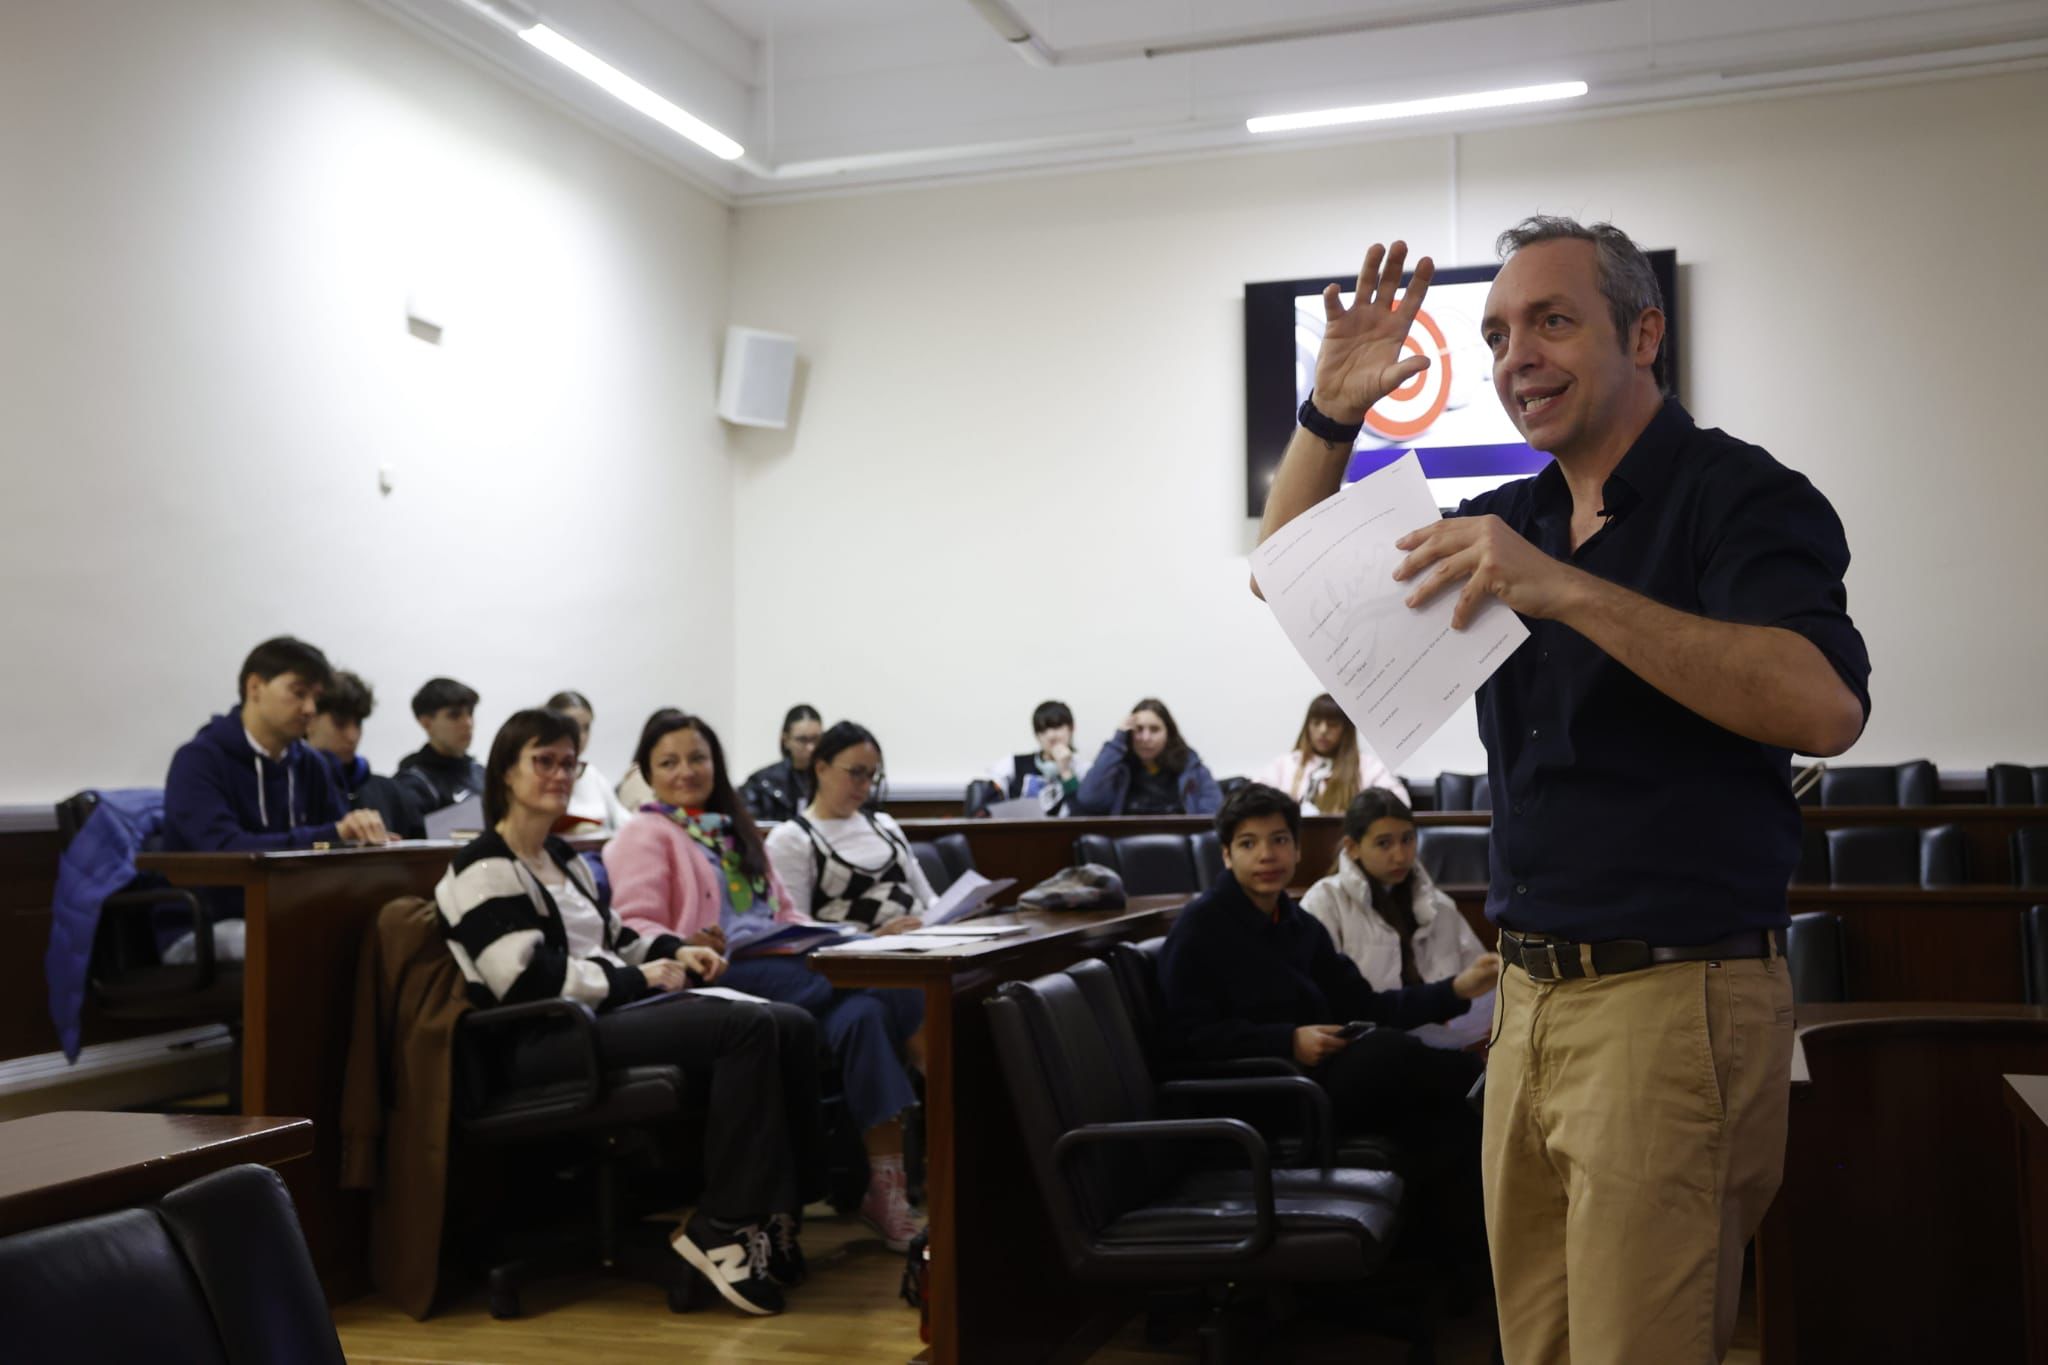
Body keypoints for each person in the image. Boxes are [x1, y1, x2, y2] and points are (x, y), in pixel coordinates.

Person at [1257, 224, 1869, 1362]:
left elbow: (1821, 705)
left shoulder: (1737, 495)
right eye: (1495, 335)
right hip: (1527, 998)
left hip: (1670, 996)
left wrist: (1566, 590)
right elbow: (1284, 574)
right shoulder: (1514, 516)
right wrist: (1329, 416)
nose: (1515, 358)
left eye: (1550, 321)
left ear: (1643, 334)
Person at [435, 708, 818, 1315]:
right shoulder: (483, 867)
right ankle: (722, 1225)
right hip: (540, 1037)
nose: (560, 775)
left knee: (790, 1021)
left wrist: (677, 951)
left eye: (569, 763)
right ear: (506, 771)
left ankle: (773, 1218)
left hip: (593, 1019)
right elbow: (523, 982)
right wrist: (635, 978)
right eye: (543, 761)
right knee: (744, 1025)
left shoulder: (561, 858)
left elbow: (618, 936)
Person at [607, 709, 927, 1251]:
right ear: (647, 771)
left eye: (697, 758)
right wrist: (683, 944)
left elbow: (784, 913)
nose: (686, 771)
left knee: (866, 1013)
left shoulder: (733, 827)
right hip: (721, 974)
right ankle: (955, 1125)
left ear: (716, 763)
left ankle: (885, 1192)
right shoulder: (645, 832)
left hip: (782, 961)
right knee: (884, 974)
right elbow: (633, 925)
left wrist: (833, 934)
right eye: (669, 762)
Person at [1158, 784, 1499, 1278]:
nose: (1267, 855)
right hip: (1260, 1096)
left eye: (1279, 840)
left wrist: (1455, 990)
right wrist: (1287, 1040)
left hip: (1313, 1086)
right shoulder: (1200, 928)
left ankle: (1459, 1271)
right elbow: (1184, 1040)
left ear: (1297, 849)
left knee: (1445, 1119)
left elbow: (1368, 1006)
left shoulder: (1296, 924)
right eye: (1249, 843)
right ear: (1227, 854)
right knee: (1404, 1057)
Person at [163, 636, 392, 962]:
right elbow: (224, 852)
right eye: (298, 693)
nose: (310, 709)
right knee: (302, 941)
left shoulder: (312, 765)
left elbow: (333, 845)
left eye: (315, 698)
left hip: (288, 913)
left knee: (390, 929)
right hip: (204, 925)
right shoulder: (199, 760)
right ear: (255, 687)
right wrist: (334, 834)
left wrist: (363, 839)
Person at [1302, 789, 1486, 991]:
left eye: (1407, 840)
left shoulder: (1441, 906)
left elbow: (1481, 988)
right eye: (1383, 843)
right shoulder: (1324, 902)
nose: (1400, 856)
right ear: (1353, 847)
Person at [764, 721, 934, 932]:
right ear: (821, 768)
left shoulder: (884, 825)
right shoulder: (792, 839)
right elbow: (796, 931)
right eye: (856, 772)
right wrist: (872, 939)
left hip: (922, 939)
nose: (866, 786)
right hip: (855, 950)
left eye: (871, 775)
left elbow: (929, 900)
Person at [307, 670, 426, 840]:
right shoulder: (290, 792)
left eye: (358, 723)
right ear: (310, 720)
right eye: (340, 723)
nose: (352, 736)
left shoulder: (391, 793)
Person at [1071, 697, 1222, 816]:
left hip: (1179, 843)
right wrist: (1118, 741)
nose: (1145, 738)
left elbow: (1212, 816)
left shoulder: (1191, 768)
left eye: (1154, 730)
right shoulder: (1118, 768)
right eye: (1139, 729)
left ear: (1168, 733)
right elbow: (1088, 799)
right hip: (1125, 843)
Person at [1255, 693, 1403, 815]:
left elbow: (1399, 803)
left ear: (1346, 730)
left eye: (1333, 724)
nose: (1323, 730)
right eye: (1316, 723)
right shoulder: (1285, 764)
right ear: (1307, 727)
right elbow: (1254, 802)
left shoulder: (1367, 767)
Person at [395, 677, 485, 815]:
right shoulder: (413, 784)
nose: (468, 723)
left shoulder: (480, 773)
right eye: (454, 715)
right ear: (426, 723)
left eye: (470, 713)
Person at [545, 689, 630, 834]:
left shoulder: (592, 775)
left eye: (586, 728)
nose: (581, 736)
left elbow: (624, 821)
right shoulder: (539, 777)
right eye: (572, 726)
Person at [988, 700, 1088, 815]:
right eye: (1043, 730)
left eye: (1057, 727)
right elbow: (988, 799)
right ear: (1037, 735)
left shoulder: (1083, 770)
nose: (1051, 736)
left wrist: (1065, 772)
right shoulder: (1012, 764)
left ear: (1071, 728)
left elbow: (1082, 815)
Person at [741, 705, 823, 823]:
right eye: (802, 740)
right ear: (786, 740)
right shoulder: (761, 783)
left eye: (816, 739)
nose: (811, 747)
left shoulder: (831, 780)